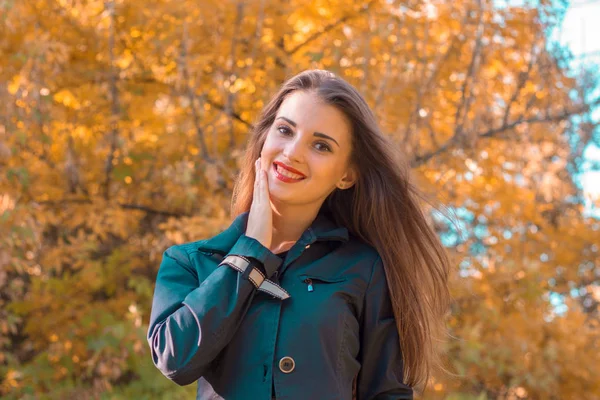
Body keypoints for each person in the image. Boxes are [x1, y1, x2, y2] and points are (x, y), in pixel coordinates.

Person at [147, 69, 452, 399]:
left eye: (321, 146)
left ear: (347, 175)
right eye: (284, 130)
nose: (292, 153)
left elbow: (387, 393)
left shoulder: (365, 268)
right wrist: (250, 253)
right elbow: (174, 360)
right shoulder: (191, 262)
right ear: (264, 140)